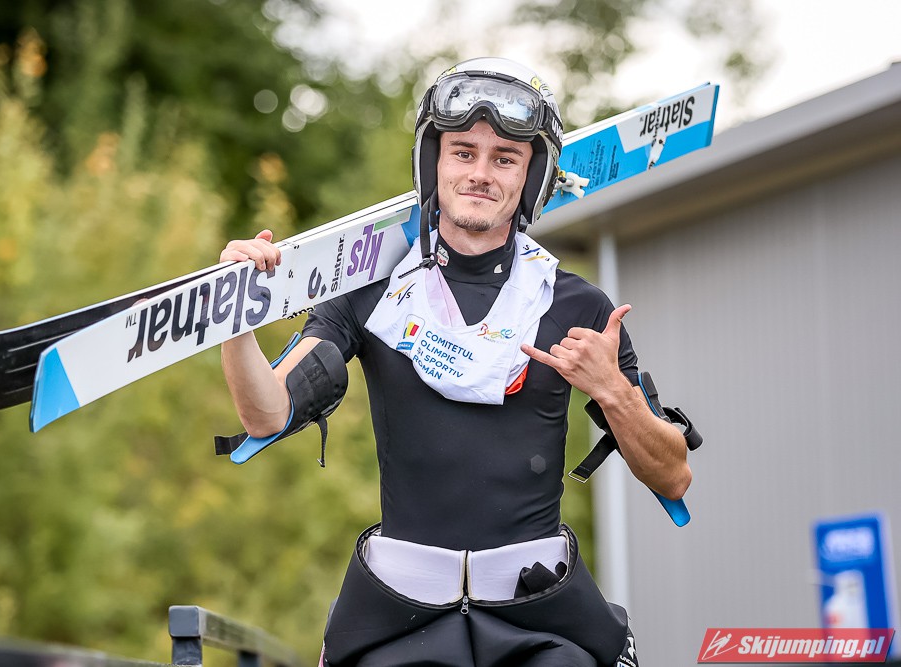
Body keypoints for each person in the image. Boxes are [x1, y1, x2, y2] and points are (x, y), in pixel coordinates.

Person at [218, 57, 693, 667]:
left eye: (505, 158)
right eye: (463, 152)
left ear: (532, 177)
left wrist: (614, 392)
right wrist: (237, 316)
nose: (480, 173)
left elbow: (673, 477)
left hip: (540, 615)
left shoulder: (577, 306)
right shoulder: (372, 292)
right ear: (433, 164)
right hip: (401, 616)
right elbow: (265, 414)